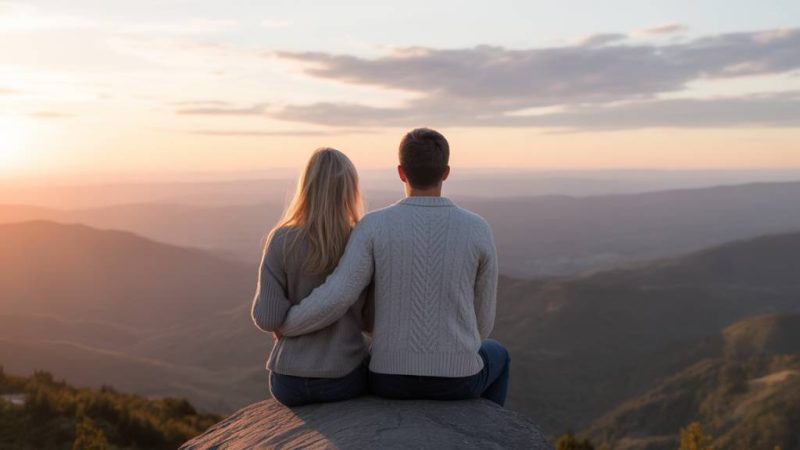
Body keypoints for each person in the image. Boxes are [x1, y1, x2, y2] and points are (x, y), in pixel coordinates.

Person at [278, 128, 510, 406]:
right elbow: (482, 324)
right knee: (498, 353)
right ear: (446, 172)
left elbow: (337, 297)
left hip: (388, 379)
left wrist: (286, 324)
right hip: (457, 380)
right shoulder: (478, 229)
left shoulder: (373, 225)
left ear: (401, 172)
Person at [250, 148, 372, 407]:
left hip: (287, 382)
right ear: (350, 189)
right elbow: (371, 319)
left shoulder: (281, 239)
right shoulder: (359, 240)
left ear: (307, 187)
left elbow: (267, 318)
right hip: (344, 379)